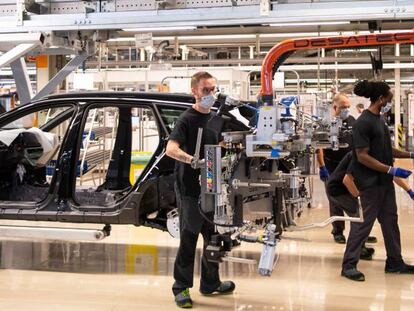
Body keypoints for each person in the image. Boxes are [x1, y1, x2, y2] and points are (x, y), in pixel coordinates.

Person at [166, 71, 235, 308]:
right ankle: (181, 287)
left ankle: (210, 283)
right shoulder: (186, 119)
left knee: (212, 236)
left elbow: (220, 146)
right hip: (190, 188)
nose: (211, 94)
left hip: (212, 187)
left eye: (213, 89)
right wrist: (192, 160)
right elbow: (171, 149)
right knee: (189, 237)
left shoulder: (216, 119)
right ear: (194, 91)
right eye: (206, 90)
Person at [341, 80, 414, 281]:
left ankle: (394, 262)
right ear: (381, 99)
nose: (390, 103)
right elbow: (362, 155)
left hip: (384, 183)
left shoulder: (380, 120)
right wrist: (391, 169)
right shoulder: (363, 123)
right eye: (389, 100)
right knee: (363, 224)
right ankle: (348, 266)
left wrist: (409, 155)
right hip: (369, 183)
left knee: (390, 221)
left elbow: (387, 149)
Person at [327, 152, 414, 261]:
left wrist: (409, 191)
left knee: (364, 217)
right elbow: (347, 180)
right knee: (361, 216)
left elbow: (391, 175)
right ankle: (356, 253)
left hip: (348, 189)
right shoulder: (362, 156)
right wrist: (359, 198)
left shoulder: (377, 157)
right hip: (339, 190)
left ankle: (361, 247)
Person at [317, 93, 377, 244]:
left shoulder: (353, 121)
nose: (346, 110)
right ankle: (338, 231)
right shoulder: (325, 123)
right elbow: (319, 148)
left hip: (350, 167)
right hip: (332, 166)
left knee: (356, 199)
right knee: (336, 200)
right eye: (344, 107)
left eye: (348, 107)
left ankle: (359, 231)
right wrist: (322, 167)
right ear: (335, 107)